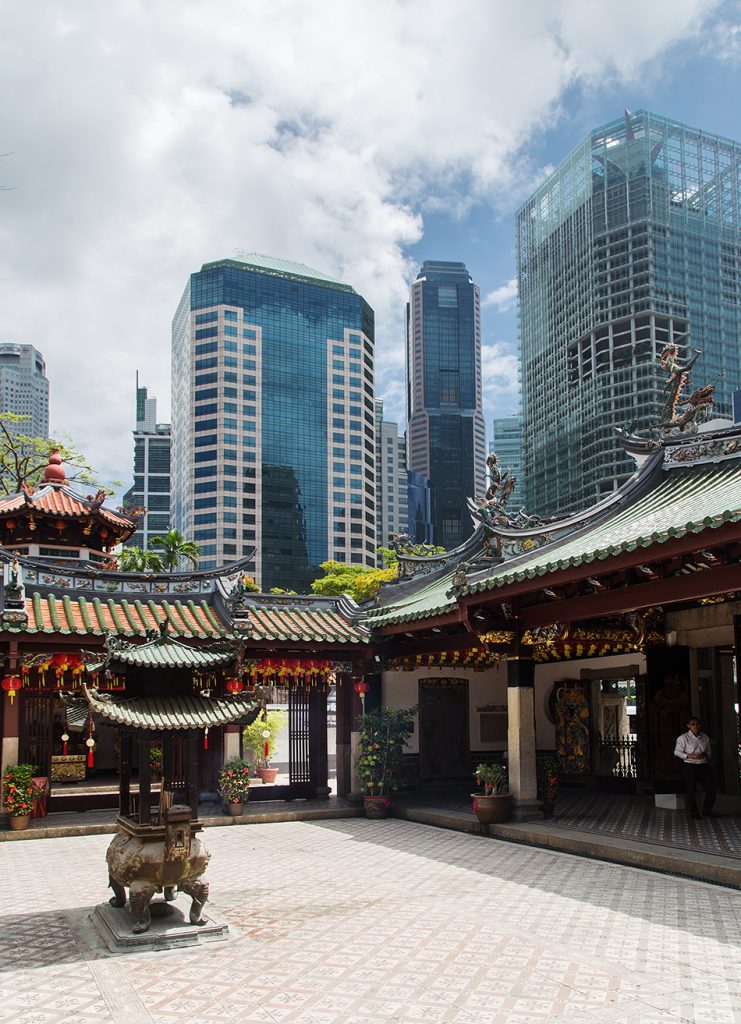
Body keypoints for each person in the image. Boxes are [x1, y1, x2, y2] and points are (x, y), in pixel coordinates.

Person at [673, 717, 721, 819]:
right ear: (689, 726)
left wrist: (707, 757)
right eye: (693, 724)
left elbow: (708, 750)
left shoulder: (704, 737)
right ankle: (694, 812)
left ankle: (707, 809)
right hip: (690, 765)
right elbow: (677, 752)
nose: (695, 726)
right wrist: (689, 756)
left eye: (697, 724)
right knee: (691, 790)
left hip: (703, 765)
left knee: (711, 787)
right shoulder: (683, 738)